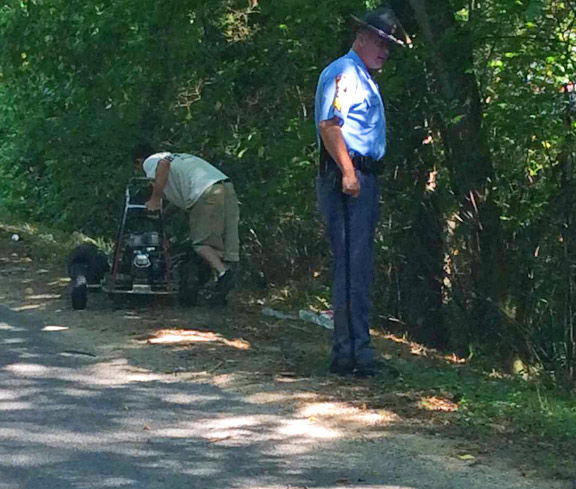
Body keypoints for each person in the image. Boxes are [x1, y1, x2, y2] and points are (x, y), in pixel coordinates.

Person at [314, 6, 410, 377]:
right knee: (352, 265)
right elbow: (329, 125)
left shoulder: (363, 77)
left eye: (390, 46)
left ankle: (354, 351)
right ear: (363, 36)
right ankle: (354, 354)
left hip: (362, 176)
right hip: (348, 177)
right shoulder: (345, 74)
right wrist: (350, 173)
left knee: (357, 265)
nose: (385, 51)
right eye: (381, 42)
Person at [132, 145, 240, 297]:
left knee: (202, 243)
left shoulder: (152, 161)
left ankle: (223, 274)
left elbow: (163, 165)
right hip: (225, 187)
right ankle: (220, 289)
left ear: (139, 162)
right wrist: (163, 213)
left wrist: (154, 199)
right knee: (226, 245)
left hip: (204, 192)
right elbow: (178, 198)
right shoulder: (177, 157)